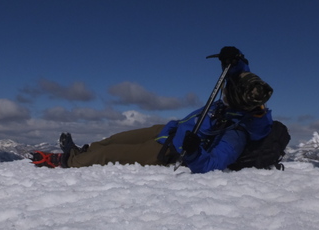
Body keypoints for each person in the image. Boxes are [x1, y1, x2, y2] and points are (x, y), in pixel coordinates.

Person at [30, 46, 274, 174]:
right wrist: (234, 57)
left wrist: (193, 153)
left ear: (241, 103)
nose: (225, 94)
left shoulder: (237, 132)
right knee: (111, 140)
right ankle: (82, 152)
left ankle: (64, 160)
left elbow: (212, 164)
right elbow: (239, 71)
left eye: (229, 93)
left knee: (109, 153)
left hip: (167, 151)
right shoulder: (248, 90)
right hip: (168, 130)